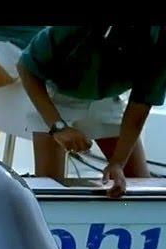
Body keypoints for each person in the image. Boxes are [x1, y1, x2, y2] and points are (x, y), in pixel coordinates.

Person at [17, 26, 166, 198]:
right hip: (58, 98)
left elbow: (139, 107)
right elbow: (26, 67)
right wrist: (58, 126)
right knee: (48, 190)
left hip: (107, 99)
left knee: (141, 187)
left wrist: (118, 162)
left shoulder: (160, 42)